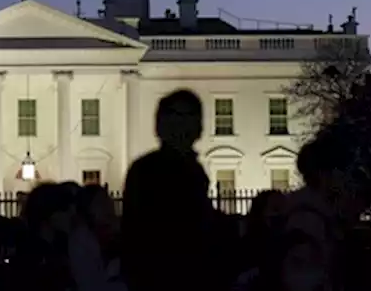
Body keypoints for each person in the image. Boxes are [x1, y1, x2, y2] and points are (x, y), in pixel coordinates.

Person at [122, 90, 230, 291]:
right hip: (167, 276)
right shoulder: (149, 170)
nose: (182, 125)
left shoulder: (191, 168)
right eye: (175, 116)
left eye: (189, 117)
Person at [278, 132, 351, 291]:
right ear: (325, 173)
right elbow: (301, 276)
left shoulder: (313, 210)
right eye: (340, 170)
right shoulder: (307, 216)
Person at [69, 185, 124, 291]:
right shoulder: (82, 239)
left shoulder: (113, 234)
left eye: (108, 199)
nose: (109, 204)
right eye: (101, 202)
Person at [234, 189, 286, 291]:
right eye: (276, 209)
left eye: (284, 209)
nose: (281, 214)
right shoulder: (252, 243)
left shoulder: (290, 240)